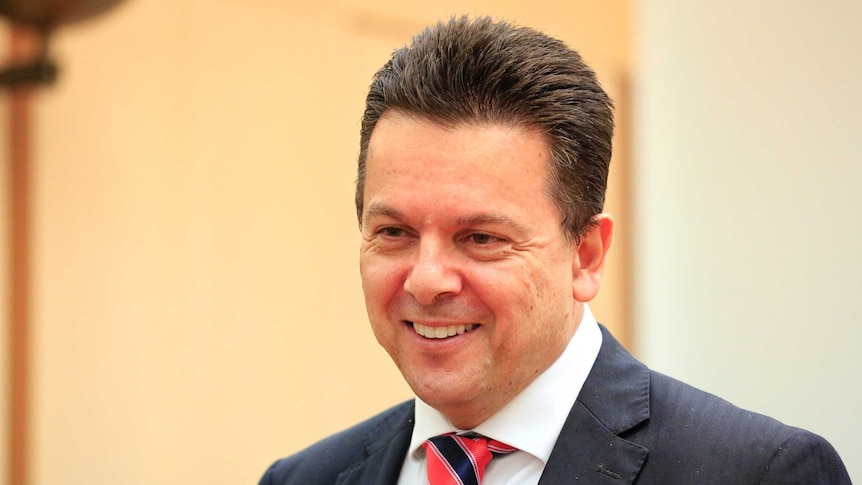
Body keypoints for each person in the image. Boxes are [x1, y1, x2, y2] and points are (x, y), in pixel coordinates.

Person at [260, 16, 851, 485]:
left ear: (586, 255)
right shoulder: (304, 478)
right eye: (394, 233)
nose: (427, 279)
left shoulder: (757, 472)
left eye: (482, 239)